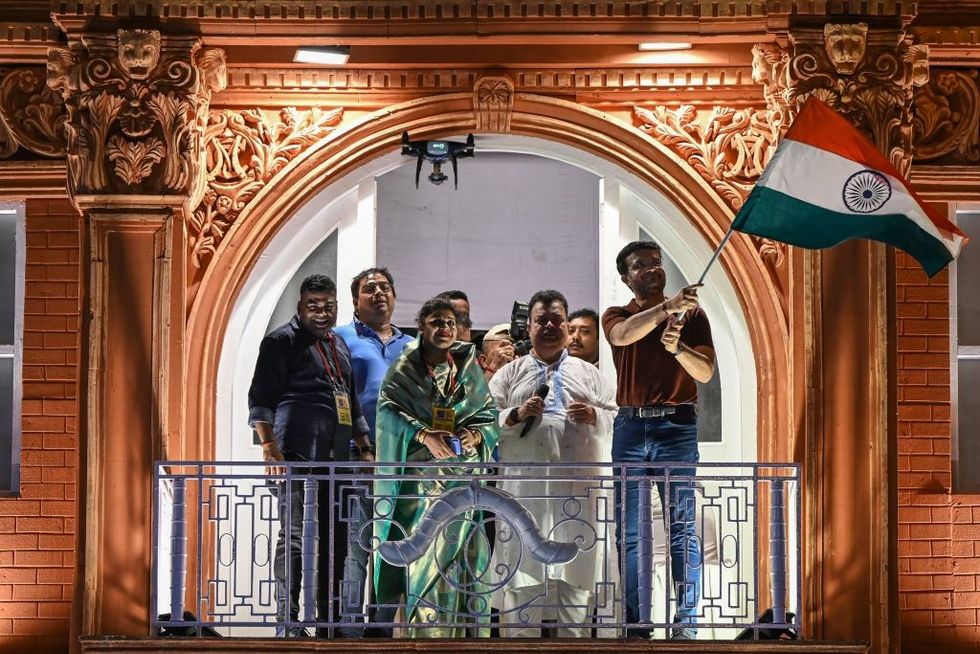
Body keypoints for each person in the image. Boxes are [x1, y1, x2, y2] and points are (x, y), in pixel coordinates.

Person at [247, 274, 375, 638]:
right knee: (295, 536)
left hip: (336, 457)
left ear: (337, 307)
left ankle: (327, 622)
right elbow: (261, 399)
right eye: (313, 306)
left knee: (336, 538)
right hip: (294, 454)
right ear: (300, 307)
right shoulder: (280, 341)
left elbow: (351, 401)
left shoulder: (338, 344)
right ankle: (288, 622)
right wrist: (269, 448)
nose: (322, 313)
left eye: (328, 307)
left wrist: (365, 448)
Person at [601, 241, 715, 640]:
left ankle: (686, 624)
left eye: (656, 262)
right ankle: (637, 625)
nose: (652, 269)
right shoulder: (616, 314)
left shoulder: (693, 315)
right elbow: (622, 336)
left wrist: (678, 347)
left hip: (676, 427)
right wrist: (668, 308)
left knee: (682, 526)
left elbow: (704, 372)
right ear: (626, 277)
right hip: (631, 427)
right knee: (630, 531)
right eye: (641, 265)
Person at [489, 290, 616, 637]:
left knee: (576, 578)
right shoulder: (508, 374)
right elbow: (483, 423)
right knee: (521, 574)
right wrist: (516, 414)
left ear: (567, 326)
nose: (549, 326)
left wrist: (595, 415)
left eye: (556, 320)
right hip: (524, 490)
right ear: (528, 327)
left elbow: (616, 418)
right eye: (541, 320)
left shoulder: (590, 374)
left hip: (577, 491)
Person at [373, 297, 500, 637]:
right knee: (427, 559)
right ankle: (427, 638)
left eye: (450, 322)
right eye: (436, 322)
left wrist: (475, 433)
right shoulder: (405, 368)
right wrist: (423, 434)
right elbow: (387, 412)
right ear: (421, 326)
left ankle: (461, 640)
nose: (444, 328)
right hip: (421, 488)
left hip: (463, 483)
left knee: (461, 561)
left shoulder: (466, 366)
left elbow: (488, 414)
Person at [334, 267, 413, 635]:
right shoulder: (341, 338)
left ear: (394, 296)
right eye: (369, 288)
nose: (379, 293)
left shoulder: (412, 345)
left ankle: (382, 630)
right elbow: (337, 393)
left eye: (385, 287)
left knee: (392, 545)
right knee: (355, 546)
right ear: (356, 300)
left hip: (401, 459)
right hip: (357, 455)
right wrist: (361, 446)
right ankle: (348, 630)